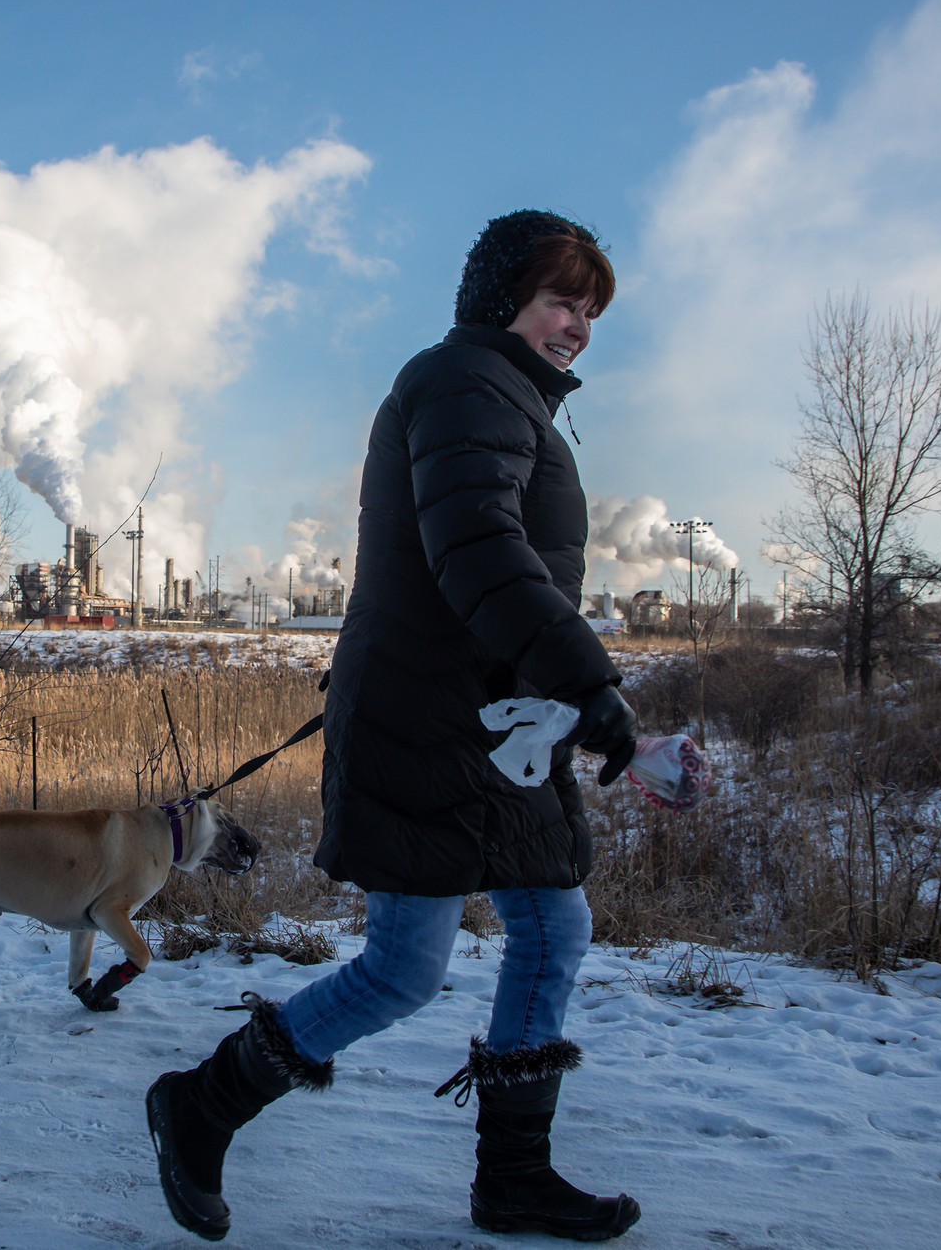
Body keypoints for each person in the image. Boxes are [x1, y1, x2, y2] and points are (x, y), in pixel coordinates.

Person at [146, 210, 642, 1242]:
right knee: (405, 968)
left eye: (590, 309)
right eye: (561, 299)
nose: (578, 325)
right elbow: (480, 550)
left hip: (499, 725)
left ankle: (514, 1175)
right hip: (427, 722)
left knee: (552, 926)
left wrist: (559, 690)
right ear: (502, 297)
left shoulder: (508, 397)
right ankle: (202, 1103)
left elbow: (504, 568)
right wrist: (589, 678)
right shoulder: (463, 383)